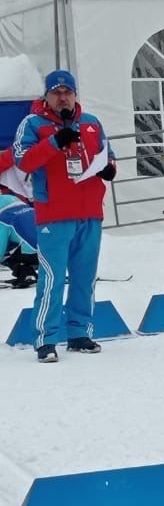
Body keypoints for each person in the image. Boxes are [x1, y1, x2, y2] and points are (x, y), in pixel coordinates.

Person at [11, 70, 116, 362]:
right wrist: (56, 141)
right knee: (52, 278)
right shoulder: (32, 123)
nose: (62, 97)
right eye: (56, 92)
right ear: (46, 96)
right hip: (54, 215)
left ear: (75, 95)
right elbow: (23, 160)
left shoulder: (91, 123)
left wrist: (110, 168)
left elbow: (109, 154)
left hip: (90, 213)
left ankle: (80, 333)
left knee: (85, 278)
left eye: (67, 92)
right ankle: (45, 339)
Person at [0, 192, 38, 287]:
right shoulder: (26, 207)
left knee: (7, 257)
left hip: (34, 254)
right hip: (52, 250)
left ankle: (25, 273)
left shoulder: (4, 219)